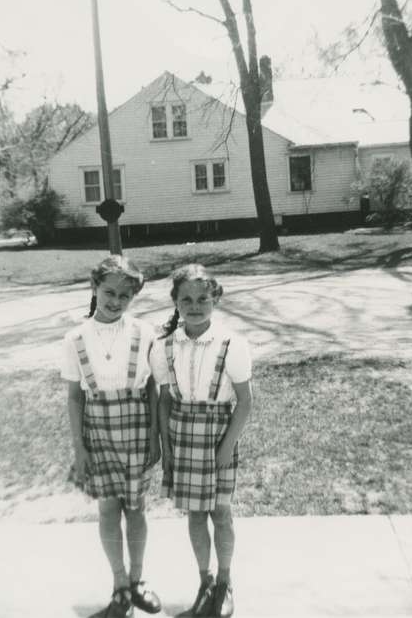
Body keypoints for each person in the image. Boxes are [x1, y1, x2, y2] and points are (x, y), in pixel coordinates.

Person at [61, 255, 161, 618]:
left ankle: (137, 581)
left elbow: (152, 387)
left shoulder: (144, 333)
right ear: (94, 287)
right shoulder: (75, 338)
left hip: (136, 427)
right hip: (97, 430)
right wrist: (79, 449)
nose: (115, 300)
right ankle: (118, 584)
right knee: (108, 510)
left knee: (136, 509)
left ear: (133, 298)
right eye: (108, 292)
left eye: (124, 295)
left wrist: (155, 435)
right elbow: (74, 397)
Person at [151, 264, 252, 618]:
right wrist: (167, 448)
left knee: (221, 513)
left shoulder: (232, 343)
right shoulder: (165, 346)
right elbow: (164, 400)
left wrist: (226, 446)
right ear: (176, 303)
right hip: (183, 435)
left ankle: (225, 583)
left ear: (216, 299)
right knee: (195, 515)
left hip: (219, 434)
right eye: (186, 299)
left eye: (202, 298)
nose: (195, 306)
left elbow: (246, 401)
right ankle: (204, 582)